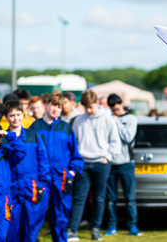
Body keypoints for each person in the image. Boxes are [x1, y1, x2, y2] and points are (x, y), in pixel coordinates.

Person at [67, 89, 121, 242]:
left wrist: (108, 157)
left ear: (97, 103)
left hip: (101, 163)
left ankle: (95, 229)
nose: (88, 111)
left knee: (98, 198)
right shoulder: (79, 120)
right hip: (83, 164)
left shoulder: (108, 119)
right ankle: (72, 230)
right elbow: (74, 142)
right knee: (79, 198)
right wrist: (76, 160)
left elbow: (115, 142)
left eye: (90, 107)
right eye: (86, 108)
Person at [30, 94, 84, 242]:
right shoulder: (35, 127)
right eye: (54, 105)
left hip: (61, 179)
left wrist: (71, 172)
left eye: (59, 107)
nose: (56, 109)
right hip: (40, 179)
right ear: (47, 105)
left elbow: (76, 155)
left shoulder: (66, 128)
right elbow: (29, 153)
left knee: (60, 215)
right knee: (35, 214)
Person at [2, 100, 50, 242]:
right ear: (6, 117)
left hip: (31, 186)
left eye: (18, 114)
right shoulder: (3, 138)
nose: (15, 118)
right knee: (12, 227)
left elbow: (42, 159)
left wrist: (42, 183)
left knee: (31, 227)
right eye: (12, 115)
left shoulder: (32, 135)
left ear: (23, 114)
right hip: (12, 187)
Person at [104, 94, 141, 237]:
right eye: (113, 109)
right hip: (111, 164)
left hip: (126, 164)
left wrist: (116, 122)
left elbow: (128, 137)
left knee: (130, 198)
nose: (115, 111)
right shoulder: (108, 118)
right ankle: (112, 226)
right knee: (111, 199)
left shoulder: (131, 119)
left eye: (117, 108)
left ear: (121, 105)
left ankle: (133, 226)